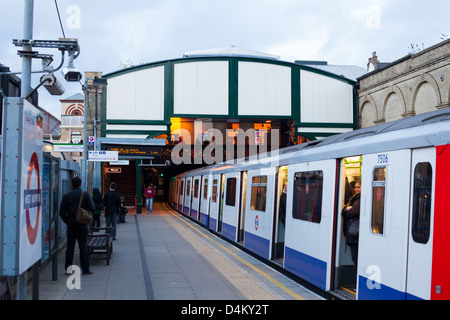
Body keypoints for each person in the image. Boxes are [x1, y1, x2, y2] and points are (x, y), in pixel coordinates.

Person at [59, 176, 95, 275]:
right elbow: (93, 207)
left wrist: (68, 221)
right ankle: (85, 269)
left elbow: (61, 212)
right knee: (83, 247)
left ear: (72, 185)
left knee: (70, 247)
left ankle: (68, 269)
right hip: (82, 224)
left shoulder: (66, 196)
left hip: (71, 225)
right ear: (80, 184)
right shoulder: (85, 194)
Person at [342, 180, 361, 265]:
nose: (356, 189)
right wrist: (347, 209)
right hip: (353, 231)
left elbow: (353, 212)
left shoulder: (360, 199)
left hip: (355, 232)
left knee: (355, 257)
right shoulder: (354, 198)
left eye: (359, 187)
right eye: (355, 187)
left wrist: (346, 210)